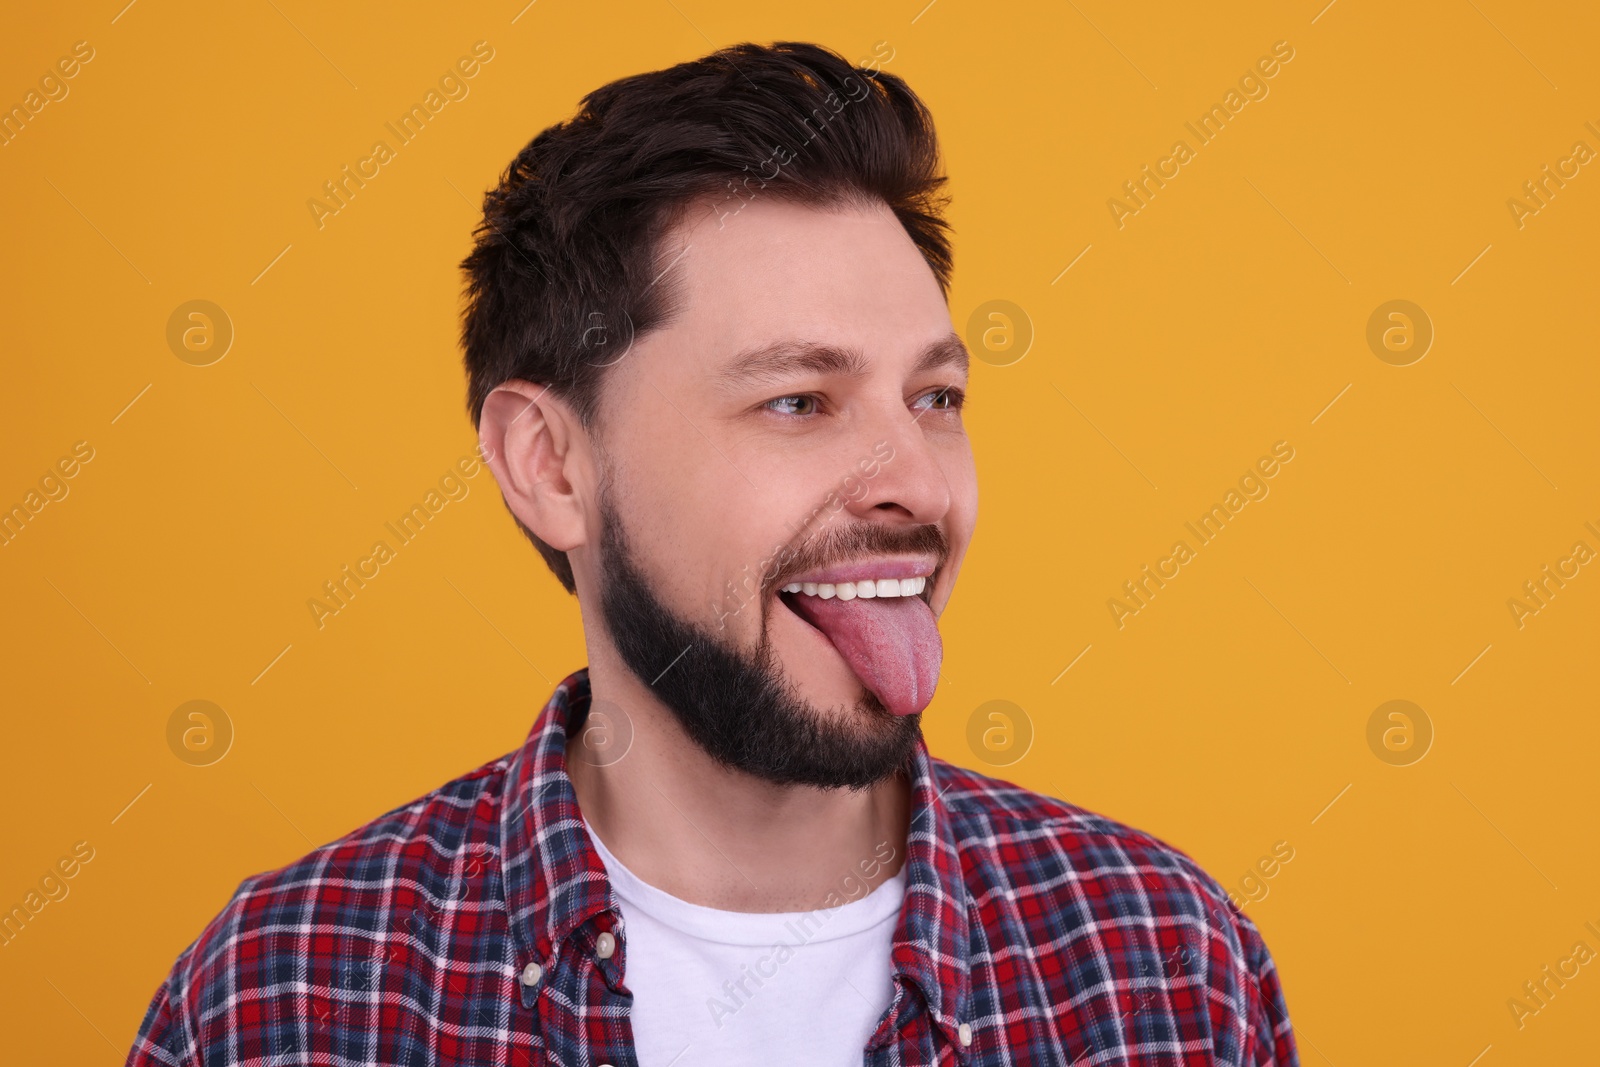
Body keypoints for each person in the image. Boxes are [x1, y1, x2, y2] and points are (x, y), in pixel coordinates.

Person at [127, 40, 1297, 1066]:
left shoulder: (1166, 965)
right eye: (799, 400)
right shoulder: (281, 998)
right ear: (551, 464)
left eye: (934, 396)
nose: (917, 482)